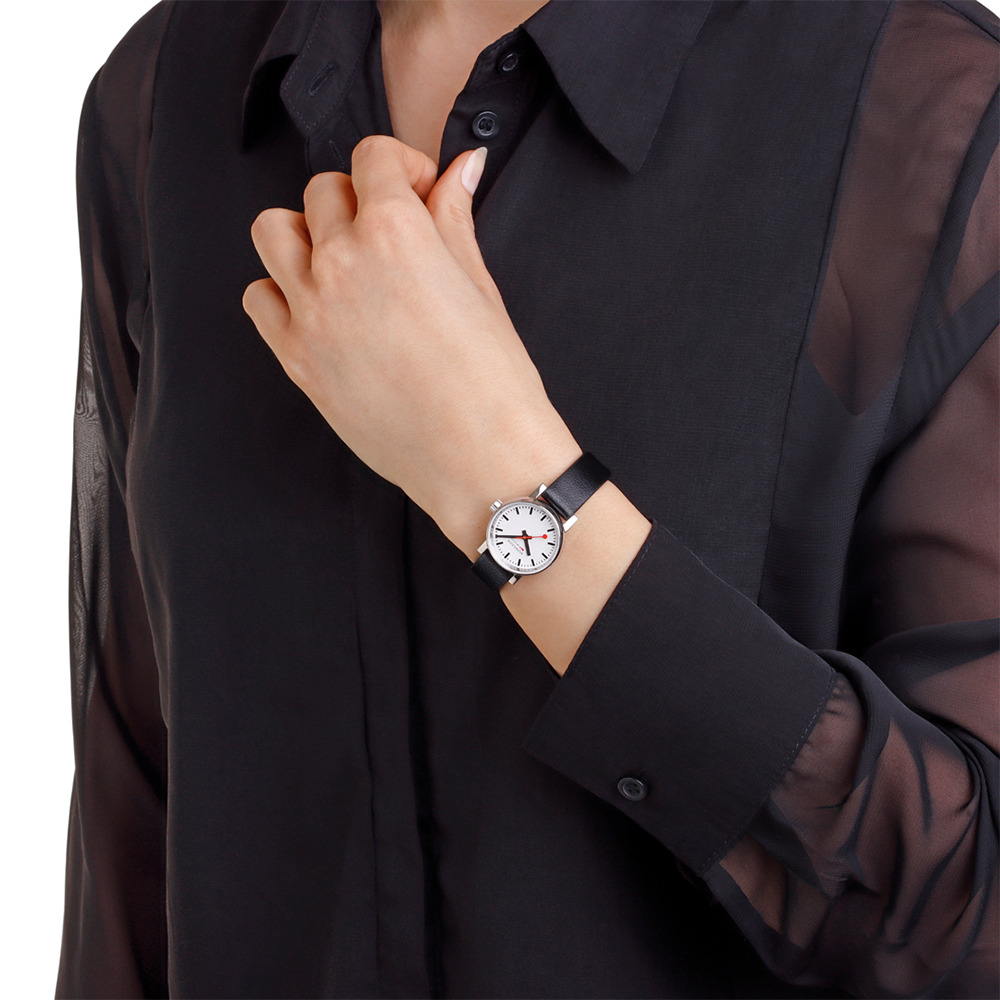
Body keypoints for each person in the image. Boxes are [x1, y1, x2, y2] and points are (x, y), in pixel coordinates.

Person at [57, 0, 998, 997]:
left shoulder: (923, 110)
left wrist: (506, 484)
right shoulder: (164, 93)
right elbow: (136, 818)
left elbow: (974, 915)